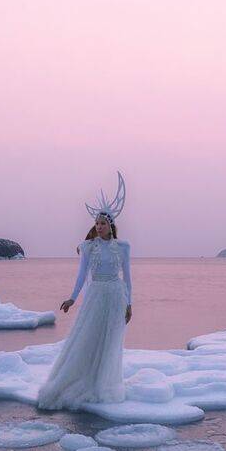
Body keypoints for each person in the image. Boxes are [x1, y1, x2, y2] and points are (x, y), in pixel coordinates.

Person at [36, 173, 132, 410]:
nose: (99, 227)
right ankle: (82, 380)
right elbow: (81, 276)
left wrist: (129, 304)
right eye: (96, 224)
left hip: (116, 296)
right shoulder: (88, 247)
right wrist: (72, 297)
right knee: (88, 338)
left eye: (103, 223)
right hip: (96, 296)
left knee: (110, 342)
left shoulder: (123, 247)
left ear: (111, 225)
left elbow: (128, 278)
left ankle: (104, 382)